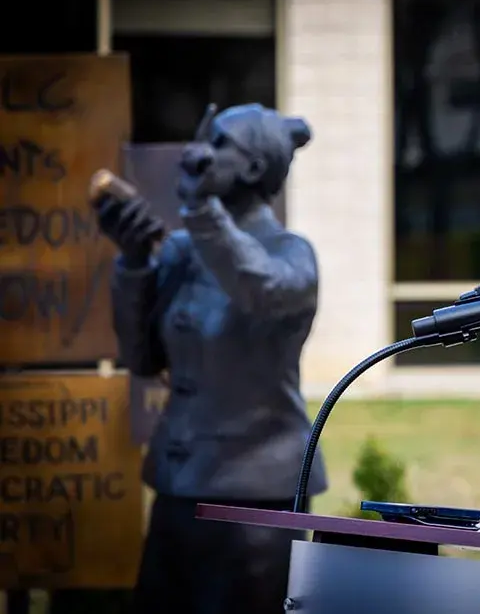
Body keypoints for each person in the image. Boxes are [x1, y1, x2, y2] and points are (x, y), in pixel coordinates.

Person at [95, 103, 327, 614]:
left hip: (255, 501)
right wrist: (134, 263)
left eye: (219, 143)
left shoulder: (293, 254)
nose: (198, 153)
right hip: (180, 488)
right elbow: (140, 358)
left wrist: (201, 213)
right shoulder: (181, 251)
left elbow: (259, 287)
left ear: (251, 167)